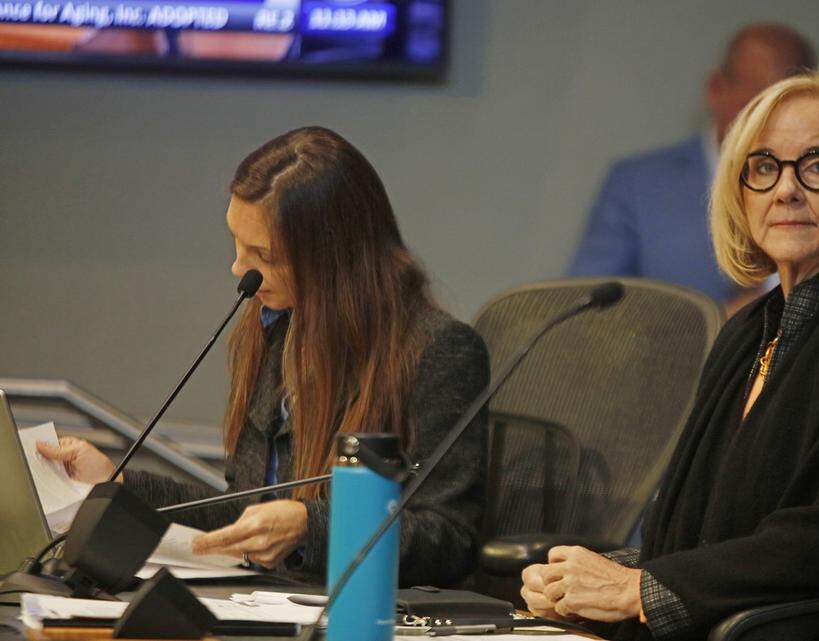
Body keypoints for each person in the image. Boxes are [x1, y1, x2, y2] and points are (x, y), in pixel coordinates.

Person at [522, 69, 819, 640]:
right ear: (739, 192)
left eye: (818, 165)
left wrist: (636, 591)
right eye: (763, 168)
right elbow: (692, 543)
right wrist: (589, 583)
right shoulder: (748, 331)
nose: (786, 190)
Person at [37, 126, 489, 587]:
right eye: (237, 242)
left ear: (336, 258)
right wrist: (120, 486)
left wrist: (306, 527)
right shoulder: (275, 327)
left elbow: (450, 541)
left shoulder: (438, 352)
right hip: (258, 602)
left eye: (263, 254)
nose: (238, 268)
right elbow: (247, 511)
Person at [568, 22, 815, 313]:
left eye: (787, 106)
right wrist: (714, 327)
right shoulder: (637, 186)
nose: (768, 122)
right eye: (755, 102)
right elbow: (582, 316)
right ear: (716, 90)